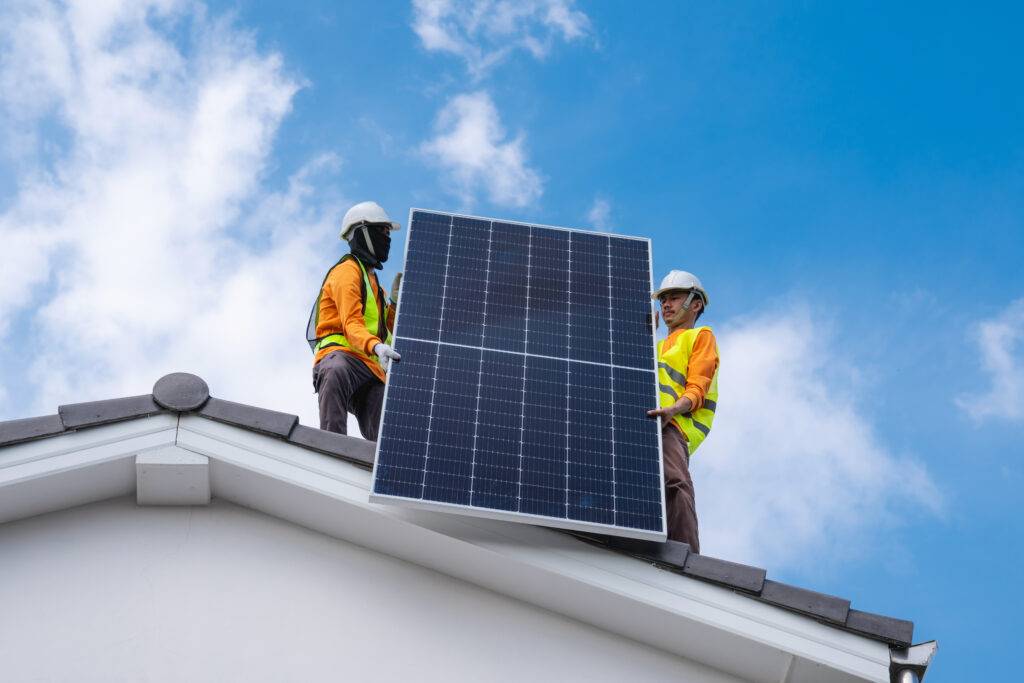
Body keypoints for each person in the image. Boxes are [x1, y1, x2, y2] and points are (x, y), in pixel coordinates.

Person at [306, 201, 402, 440]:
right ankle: (332, 448)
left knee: (386, 427)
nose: (387, 238)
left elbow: (384, 332)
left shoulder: (373, 284)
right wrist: (375, 346)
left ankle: (381, 470)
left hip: (371, 369)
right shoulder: (346, 272)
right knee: (335, 370)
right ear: (362, 232)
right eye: (382, 231)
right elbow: (352, 324)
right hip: (343, 358)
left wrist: (395, 305)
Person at [646, 271, 719, 552]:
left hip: (671, 427)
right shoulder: (656, 346)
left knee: (674, 482)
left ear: (696, 303)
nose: (666, 305)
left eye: (674, 298)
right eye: (663, 300)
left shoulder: (701, 336)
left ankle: (686, 558)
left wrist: (672, 411)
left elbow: (698, 387)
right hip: (643, 418)